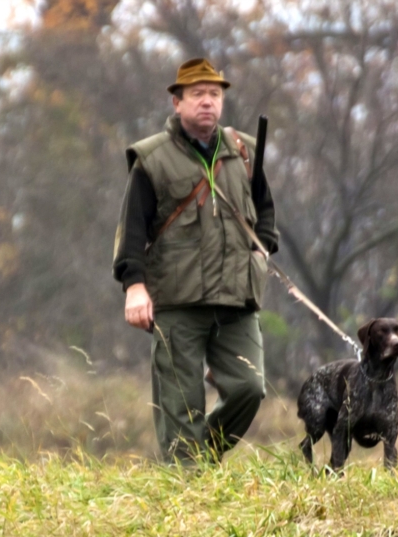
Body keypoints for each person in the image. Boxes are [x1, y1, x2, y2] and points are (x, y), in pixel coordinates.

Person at [113, 58, 279, 464]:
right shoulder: (152, 158)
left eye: (215, 94)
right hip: (176, 300)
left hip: (237, 299)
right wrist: (134, 287)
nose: (208, 101)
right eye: (198, 94)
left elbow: (265, 211)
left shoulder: (244, 151)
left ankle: (197, 460)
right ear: (177, 102)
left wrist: (262, 249)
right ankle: (187, 484)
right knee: (181, 405)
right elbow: (132, 230)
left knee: (249, 387)